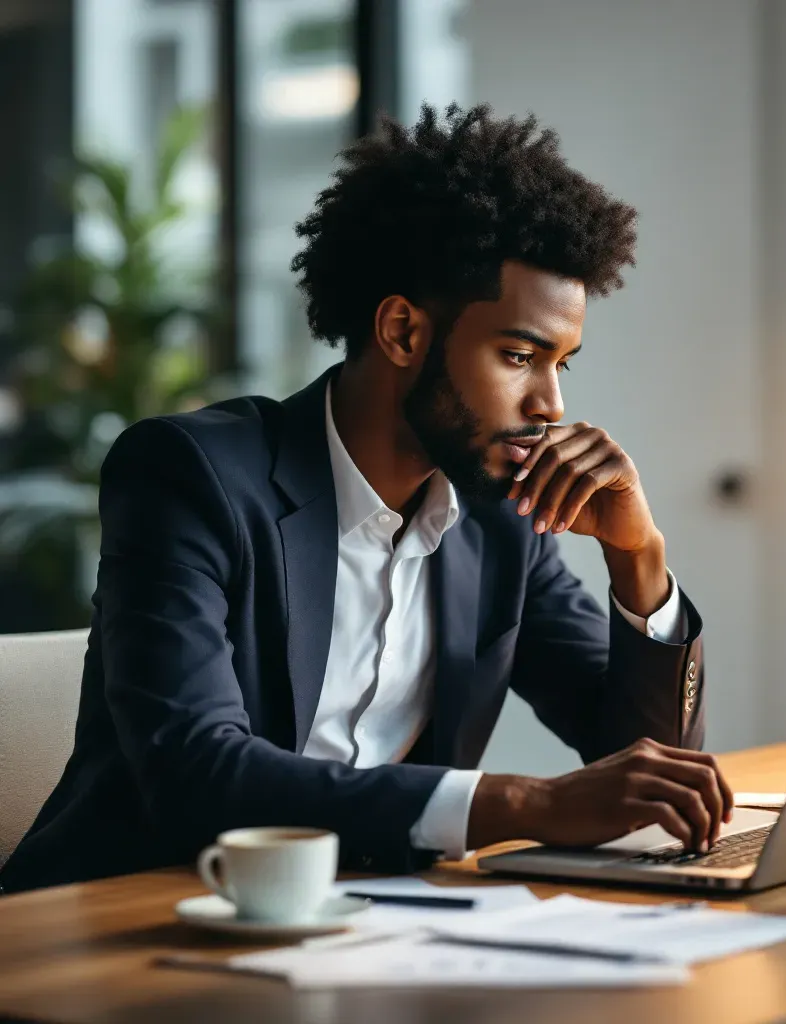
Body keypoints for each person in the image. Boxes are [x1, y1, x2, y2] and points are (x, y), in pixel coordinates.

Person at [0, 104, 732, 894]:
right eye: (520, 356)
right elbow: (195, 771)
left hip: (363, 926)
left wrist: (638, 559)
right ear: (403, 333)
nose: (550, 405)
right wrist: (522, 802)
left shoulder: (495, 523)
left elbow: (649, 773)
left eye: (563, 364)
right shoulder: (192, 476)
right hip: (126, 920)